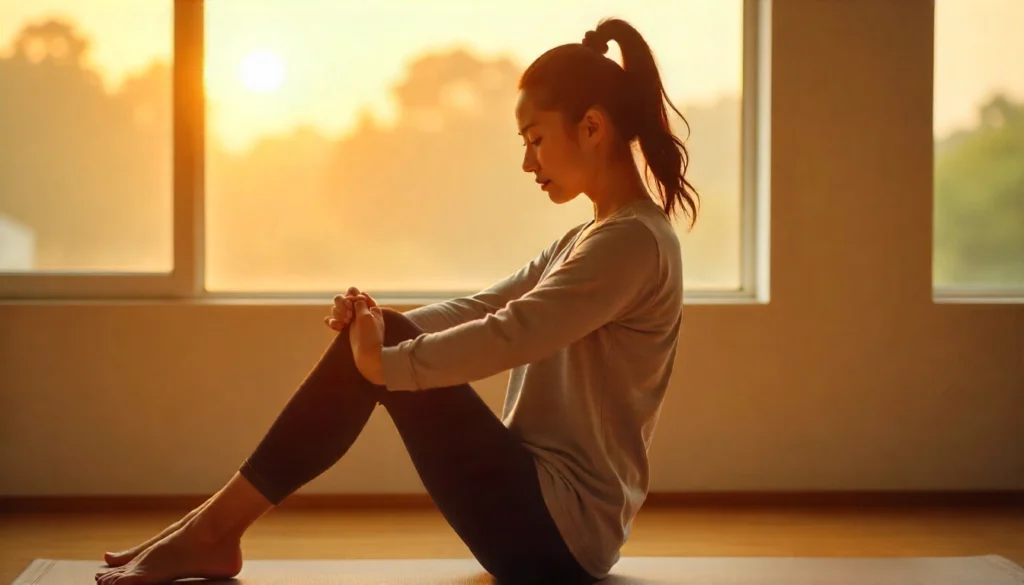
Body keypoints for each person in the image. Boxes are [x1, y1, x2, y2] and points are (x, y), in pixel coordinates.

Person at [94, 16, 698, 585]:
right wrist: (377, 324)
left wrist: (384, 362)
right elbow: (482, 307)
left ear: (591, 127)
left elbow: (514, 331)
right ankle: (206, 529)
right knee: (381, 338)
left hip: (560, 535)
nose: (526, 162)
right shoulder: (590, 237)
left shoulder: (632, 245)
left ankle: (210, 531)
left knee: (382, 351)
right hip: (538, 512)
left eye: (535, 139)